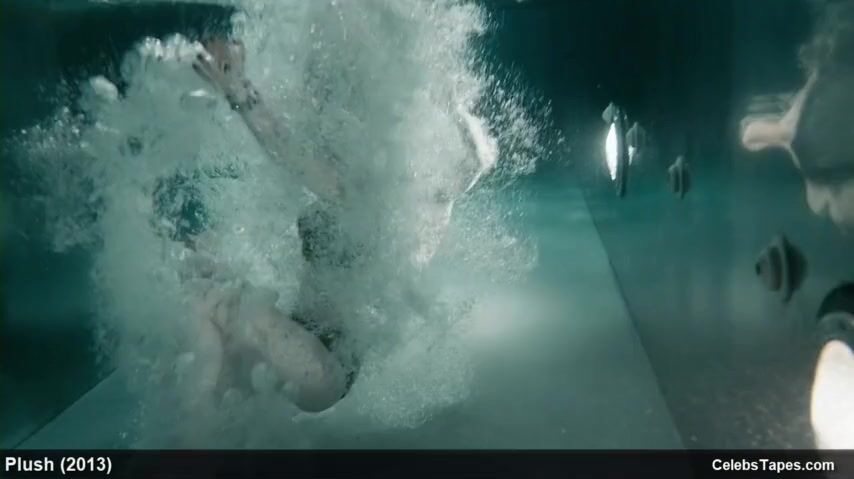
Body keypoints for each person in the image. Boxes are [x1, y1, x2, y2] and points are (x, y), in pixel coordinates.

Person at [170, 38, 495, 413]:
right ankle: (206, 423)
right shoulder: (354, 190)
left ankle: (194, 433)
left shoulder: (385, 203)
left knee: (205, 299)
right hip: (288, 349)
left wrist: (451, 102)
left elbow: (477, 160)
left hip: (324, 369)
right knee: (196, 286)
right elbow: (290, 148)